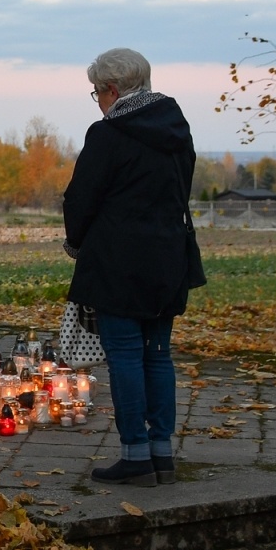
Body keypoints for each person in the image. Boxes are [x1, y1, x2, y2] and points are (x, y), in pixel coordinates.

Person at [63, 48, 205, 487]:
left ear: (112, 89)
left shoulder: (108, 134)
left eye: (97, 93)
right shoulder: (177, 129)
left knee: (124, 356)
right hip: (169, 260)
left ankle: (135, 457)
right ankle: (162, 454)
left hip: (118, 263)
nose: (98, 102)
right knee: (158, 355)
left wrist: (75, 242)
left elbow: (81, 198)